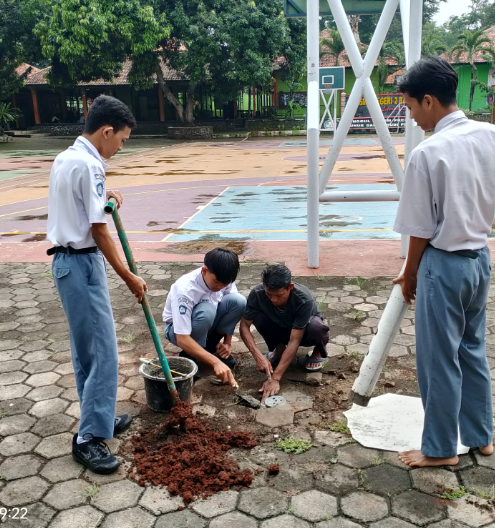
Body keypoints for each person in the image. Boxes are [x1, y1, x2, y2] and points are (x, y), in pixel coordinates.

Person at [392, 57, 495, 468]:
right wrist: (481, 188)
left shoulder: (428, 152)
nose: (411, 116)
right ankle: (480, 437)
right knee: (472, 351)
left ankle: (440, 450)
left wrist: (409, 274)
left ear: (428, 100)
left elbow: (420, 228)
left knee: (439, 360)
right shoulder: (492, 134)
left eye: (410, 106)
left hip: (444, 265)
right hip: (479, 262)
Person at [46, 95, 147, 474]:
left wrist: (104, 197)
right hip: (83, 265)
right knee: (104, 352)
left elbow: (79, 204)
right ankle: (87, 439)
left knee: (87, 352)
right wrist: (129, 276)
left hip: (66, 263)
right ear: (106, 131)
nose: (120, 147)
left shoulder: (66, 157)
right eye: (121, 140)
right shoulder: (91, 165)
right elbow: (99, 230)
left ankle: (99, 415)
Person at [239, 264, 330, 401]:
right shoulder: (258, 293)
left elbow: (295, 340)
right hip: (281, 325)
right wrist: (258, 356)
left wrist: (275, 378)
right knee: (257, 317)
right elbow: (244, 325)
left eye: (279, 295)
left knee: (317, 328)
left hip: (303, 331)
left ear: (290, 287)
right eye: (269, 294)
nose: (273, 300)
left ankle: (317, 351)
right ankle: (279, 349)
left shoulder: (303, 299)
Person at [163, 248, 244, 388]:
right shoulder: (185, 290)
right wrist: (215, 362)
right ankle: (190, 355)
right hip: (177, 331)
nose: (220, 287)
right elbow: (181, 337)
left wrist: (227, 343)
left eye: (225, 284)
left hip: (207, 323)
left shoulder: (224, 278)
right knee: (206, 311)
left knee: (238, 301)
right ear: (204, 270)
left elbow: (232, 305)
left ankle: (210, 347)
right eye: (217, 281)